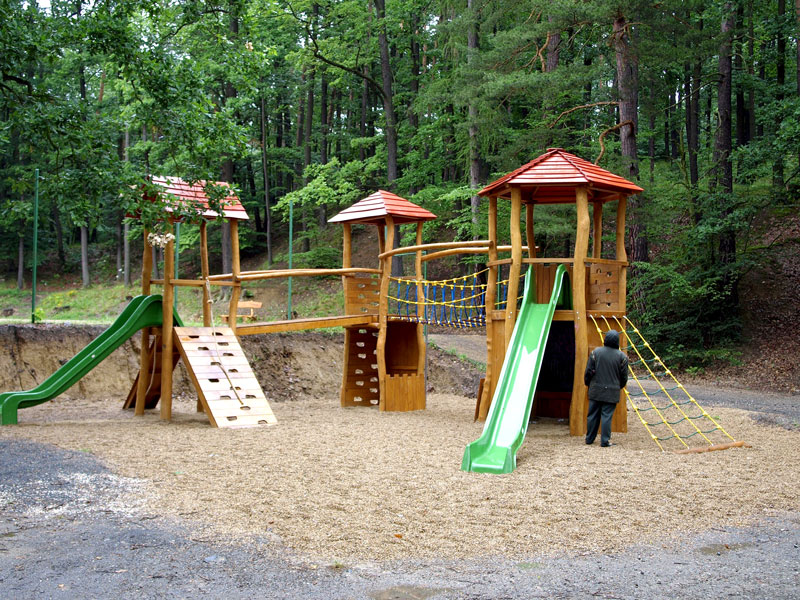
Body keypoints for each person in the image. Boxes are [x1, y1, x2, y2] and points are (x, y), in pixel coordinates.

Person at [584, 329, 628, 447]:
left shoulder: (595, 353)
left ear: (605, 339)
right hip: (612, 390)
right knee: (607, 416)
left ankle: (589, 439)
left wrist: (588, 383)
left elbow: (589, 371)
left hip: (595, 388)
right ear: (617, 341)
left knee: (592, 415)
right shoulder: (622, 357)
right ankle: (605, 441)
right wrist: (618, 387)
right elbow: (624, 377)